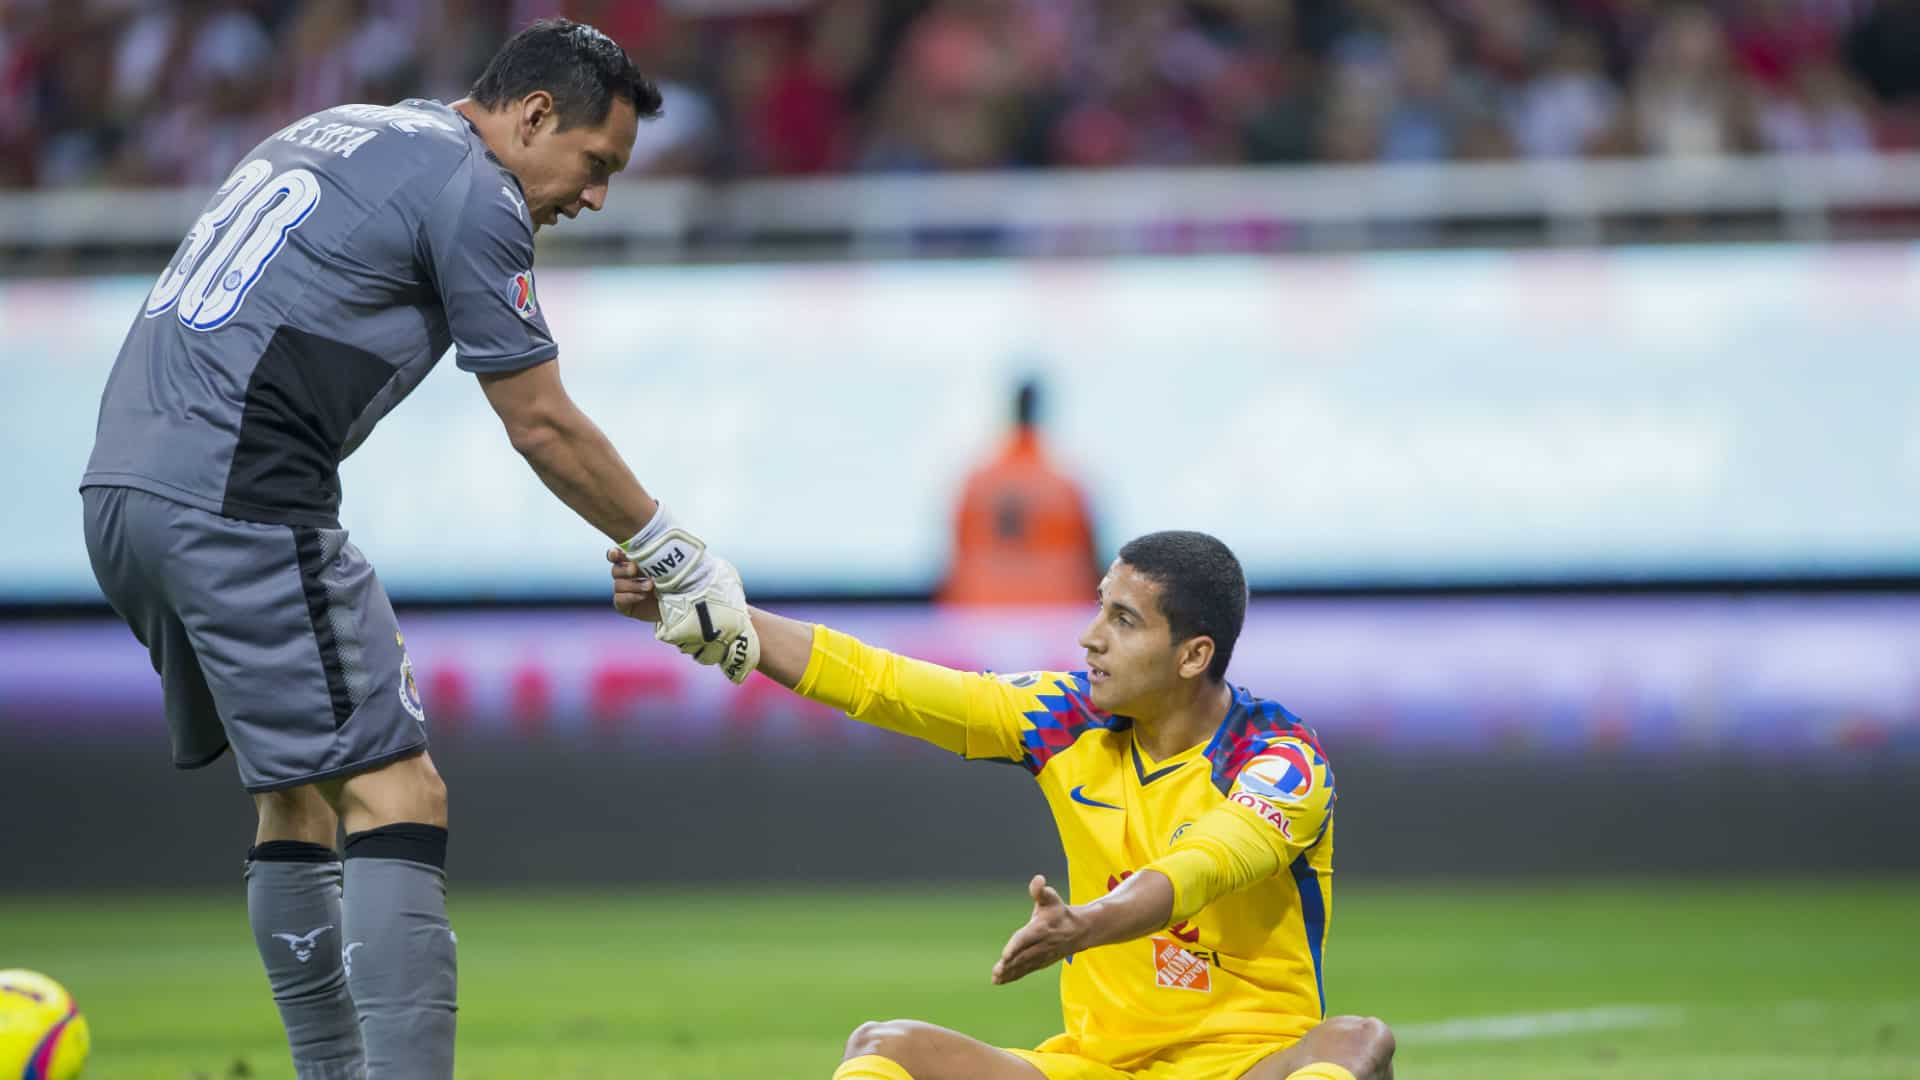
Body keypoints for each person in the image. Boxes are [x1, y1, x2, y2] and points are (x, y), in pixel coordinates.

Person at [78, 19, 756, 1080]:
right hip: (239, 495)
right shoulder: (476, 189)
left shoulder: (346, 127)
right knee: (400, 793)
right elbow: (540, 421)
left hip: (120, 493)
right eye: (596, 163)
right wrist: (673, 552)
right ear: (533, 115)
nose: (595, 197)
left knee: (298, 794)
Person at [611, 531, 1395, 1080]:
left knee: (1359, 1043)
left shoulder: (1279, 760)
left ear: (1193, 655)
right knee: (885, 1047)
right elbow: (881, 683)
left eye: (1123, 621)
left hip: (1250, 1066)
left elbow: (1205, 865)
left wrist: (1087, 925)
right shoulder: (1062, 716)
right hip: (1095, 1067)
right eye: (1100, 607)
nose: (1090, 637)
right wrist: (720, 617)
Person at [940, 378, 1099, 607]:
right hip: (1054, 608)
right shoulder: (1064, 485)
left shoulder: (977, 482)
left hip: (982, 606)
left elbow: (956, 555)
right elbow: (1090, 558)